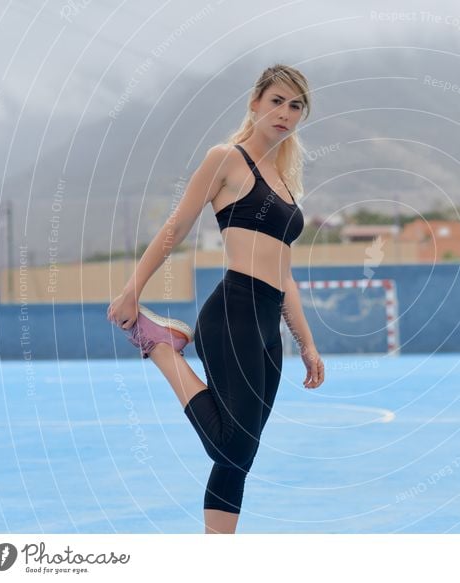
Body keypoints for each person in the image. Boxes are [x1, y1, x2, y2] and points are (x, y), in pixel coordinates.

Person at [106, 64, 324, 534]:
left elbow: (284, 273)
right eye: (277, 101)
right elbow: (177, 227)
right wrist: (132, 290)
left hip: (267, 327)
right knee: (230, 445)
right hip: (233, 314)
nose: (285, 113)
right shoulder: (227, 159)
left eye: (295, 106)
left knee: (239, 458)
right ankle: (161, 346)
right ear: (255, 103)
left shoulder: (285, 183)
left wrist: (305, 343)